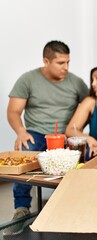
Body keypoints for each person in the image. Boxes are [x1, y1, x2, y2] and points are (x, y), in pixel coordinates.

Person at [5, 40, 88, 236]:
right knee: (25, 151)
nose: (66, 67)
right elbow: (13, 111)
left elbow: (91, 107)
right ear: (46, 61)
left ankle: (79, 207)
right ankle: (22, 209)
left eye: (68, 62)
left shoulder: (76, 82)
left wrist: (80, 134)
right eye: (61, 63)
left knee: (87, 155)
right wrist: (21, 132)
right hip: (36, 133)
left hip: (66, 136)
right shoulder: (28, 79)